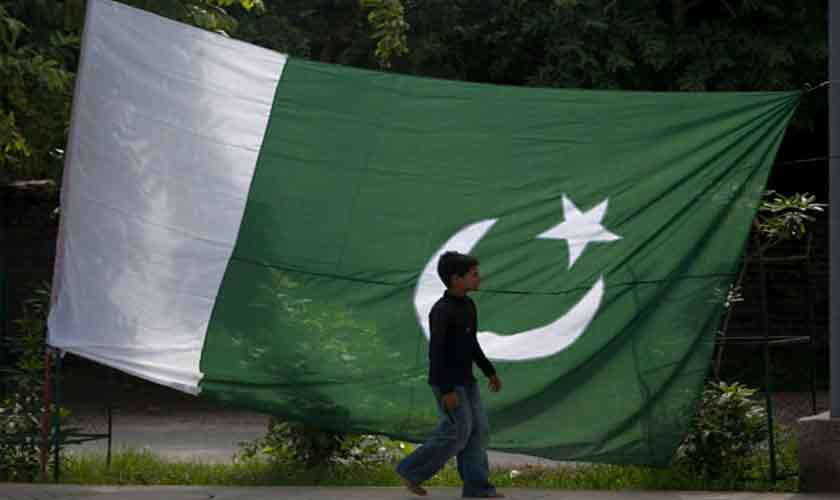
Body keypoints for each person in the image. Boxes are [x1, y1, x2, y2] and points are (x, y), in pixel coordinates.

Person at [397, 251, 504, 498]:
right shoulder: (441, 310)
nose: (479, 278)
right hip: (448, 382)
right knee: (457, 433)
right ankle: (410, 470)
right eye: (474, 274)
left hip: (467, 381)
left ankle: (477, 487)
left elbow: (471, 343)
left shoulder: (469, 305)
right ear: (456, 279)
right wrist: (446, 390)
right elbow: (436, 352)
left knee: (479, 431)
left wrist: (489, 372)